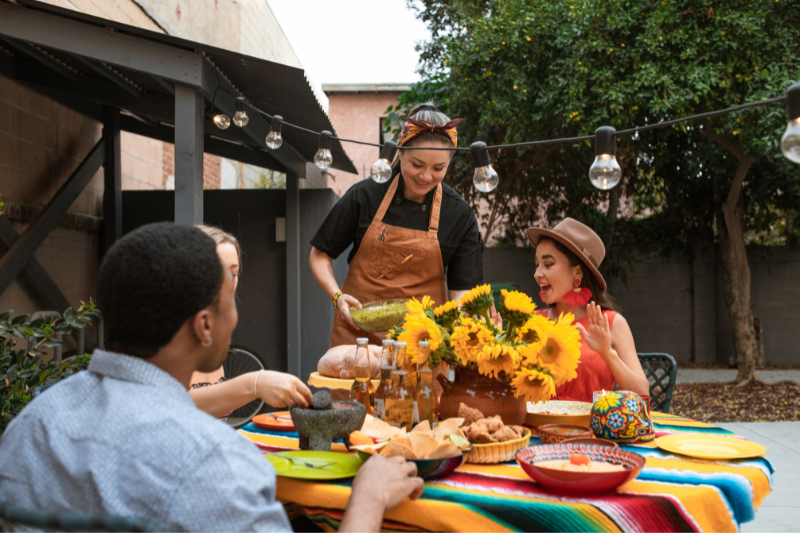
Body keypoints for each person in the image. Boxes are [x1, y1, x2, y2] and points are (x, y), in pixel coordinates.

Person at [0, 223, 423, 532]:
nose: (235, 315)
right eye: (228, 301)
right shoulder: (213, 461)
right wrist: (369, 498)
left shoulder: (31, 425)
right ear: (204, 325)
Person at [310, 101, 485, 347]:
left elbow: (462, 292)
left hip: (422, 347)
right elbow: (319, 255)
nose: (426, 176)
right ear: (400, 152)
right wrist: (337, 297)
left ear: (450, 162)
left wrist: (460, 324)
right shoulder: (366, 195)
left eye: (438, 168)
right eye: (417, 164)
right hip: (357, 340)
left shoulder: (458, 214)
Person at [189, 225, 313, 417]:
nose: (229, 279)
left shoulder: (211, 333)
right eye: (219, 269)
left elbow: (216, 408)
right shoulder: (173, 333)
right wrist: (254, 384)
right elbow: (170, 405)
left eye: (234, 271)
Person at [525, 218, 649, 402]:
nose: (537, 274)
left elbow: (643, 395)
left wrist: (607, 353)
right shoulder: (531, 321)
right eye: (537, 265)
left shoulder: (612, 323)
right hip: (533, 429)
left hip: (591, 429)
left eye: (548, 264)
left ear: (578, 272)